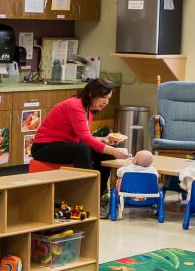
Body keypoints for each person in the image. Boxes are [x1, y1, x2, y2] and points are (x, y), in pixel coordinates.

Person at [30, 77, 129, 211]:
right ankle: (85, 197)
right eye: (103, 98)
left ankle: (97, 197)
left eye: (109, 99)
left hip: (65, 145)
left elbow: (82, 136)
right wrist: (115, 151)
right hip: (44, 147)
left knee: (102, 154)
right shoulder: (75, 106)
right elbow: (85, 138)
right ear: (91, 94)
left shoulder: (89, 108)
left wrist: (103, 140)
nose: (106, 102)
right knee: (82, 150)